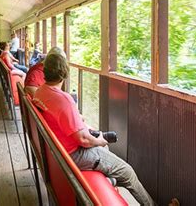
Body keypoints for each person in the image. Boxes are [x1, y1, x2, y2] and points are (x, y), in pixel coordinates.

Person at [33, 53, 155, 205]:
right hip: (73, 155)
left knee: (106, 151)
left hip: (56, 152)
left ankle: (110, 181)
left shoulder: (40, 92)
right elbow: (83, 139)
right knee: (127, 171)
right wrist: (99, 140)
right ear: (64, 72)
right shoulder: (64, 100)